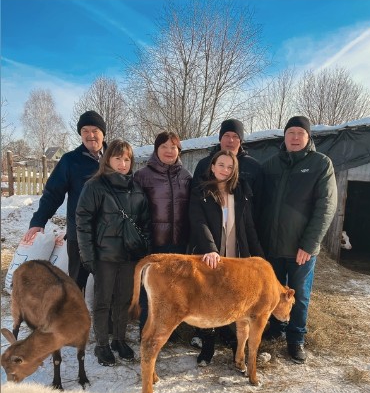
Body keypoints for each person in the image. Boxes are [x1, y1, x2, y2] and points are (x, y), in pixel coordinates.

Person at [259, 116, 337, 363]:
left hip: (300, 249)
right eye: (290, 132)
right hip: (272, 246)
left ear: (308, 137)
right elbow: (259, 205)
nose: (295, 137)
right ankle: (276, 329)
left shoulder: (320, 164)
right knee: (273, 293)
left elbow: (326, 207)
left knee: (299, 295)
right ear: (284, 136)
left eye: (300, 133)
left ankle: (296, 338)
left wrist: (309, 245)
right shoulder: (270, 165)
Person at [76, 139, 151, 366]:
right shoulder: (95, 186)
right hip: (104, 256)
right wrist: (88, 256)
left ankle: (119, 340)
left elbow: (145, 223)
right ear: (108, 159)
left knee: (123, 300)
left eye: (127, 159)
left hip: (130, 257)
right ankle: (101, 345)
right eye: (118, 158)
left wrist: (143, 248)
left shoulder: (136, 188)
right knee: (103, 301)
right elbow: (83, 222)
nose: (122, 163)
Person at [190, 118, 263, 349]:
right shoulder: (202, 190)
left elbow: (248, 225)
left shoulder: (240, 192)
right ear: (212, 166)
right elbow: (198, 221)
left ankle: (229, 331)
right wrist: (209, 249)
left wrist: (258, 256)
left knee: (231, 291)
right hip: (210, 252)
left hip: (234, 251)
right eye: (221, 165)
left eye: (230, 167)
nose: (225, 169)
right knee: (207, 292)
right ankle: (206, 336)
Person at [23, 110, 107, 291]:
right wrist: (39, 220)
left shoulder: (114, 159)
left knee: (107, 285)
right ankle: (73, 318)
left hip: (110, 236)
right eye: (85, 131)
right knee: (76, 284)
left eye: (95, 130)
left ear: (103, 133)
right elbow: (53, 193)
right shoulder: (70, 160)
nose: (90, 135)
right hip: (80, 235)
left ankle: (104, 319)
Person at [134, 130, 192, 337]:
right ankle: (147, 332)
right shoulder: (142, 176)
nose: (169, 151)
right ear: (156, 149)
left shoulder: (186, 176)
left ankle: (169, 332)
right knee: (149, 291)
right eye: (164, 147)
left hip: (178, 244)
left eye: (173, 147)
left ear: (179, 150)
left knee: (173, 289)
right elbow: (135, 212)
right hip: (153, 244)